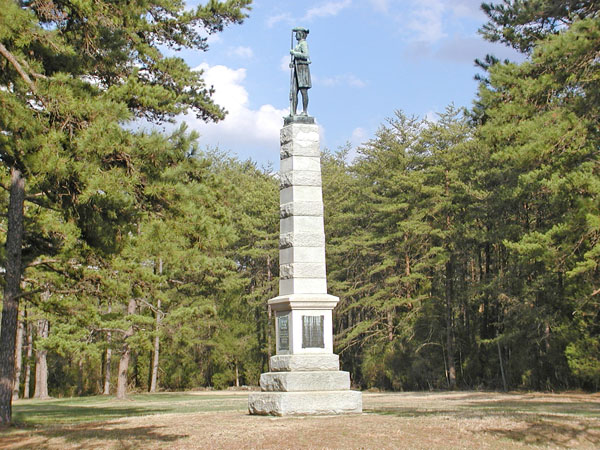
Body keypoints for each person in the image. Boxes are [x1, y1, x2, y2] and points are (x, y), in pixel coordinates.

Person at [290, 27, 311, 116]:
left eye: (297, 34)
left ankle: (305, 111)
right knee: (294, 91)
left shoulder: (304, 44)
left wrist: (294, 53)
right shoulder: (298, 45)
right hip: (297, 68)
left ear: (301, 34)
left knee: (303, 91)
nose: (295, 36)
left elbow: (306, 55)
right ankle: (293, 112)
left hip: (303, 69)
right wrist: (292, 62)